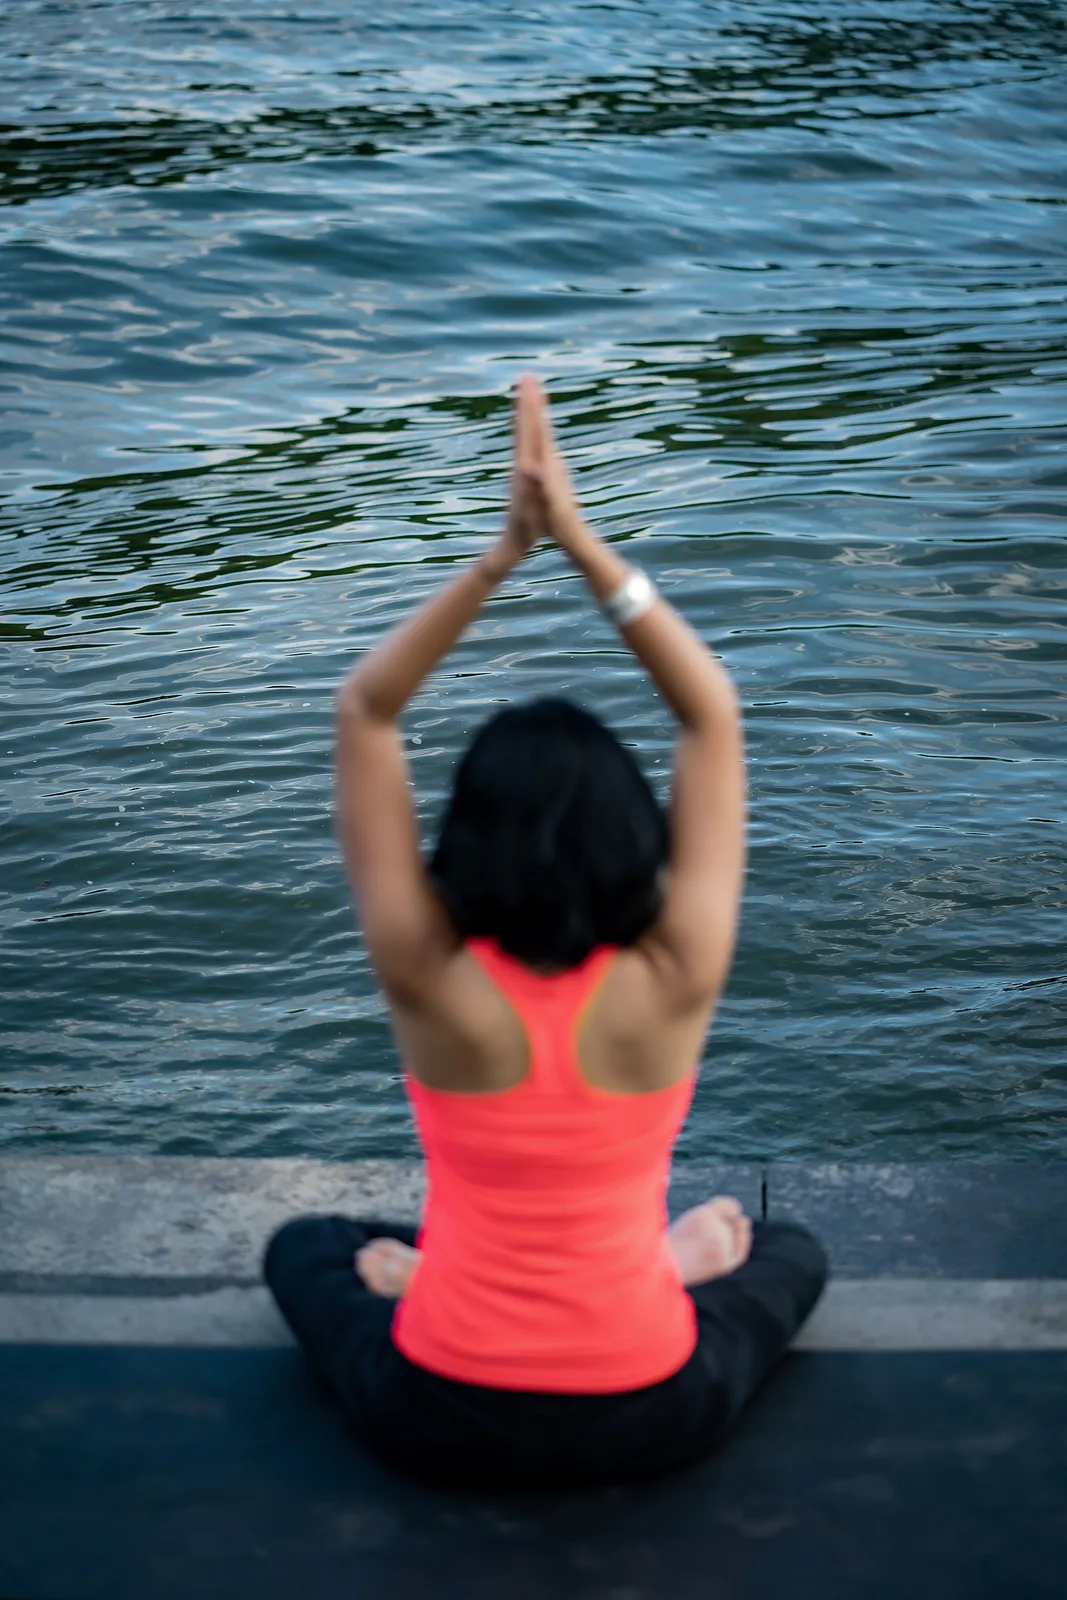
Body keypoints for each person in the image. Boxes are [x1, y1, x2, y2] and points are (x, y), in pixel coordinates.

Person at [264, 374, 827, 1490]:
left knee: (307, 1248)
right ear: (633, 833)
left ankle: (429, 1279)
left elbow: (362, 711)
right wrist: (578, 542)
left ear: (463, 837)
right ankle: (660, 1264)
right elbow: (709, 710)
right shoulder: (675, 971)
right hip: (646, 1406)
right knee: (790, 1248)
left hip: (437, 1407)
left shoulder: (425, 974)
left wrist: (497, 556)